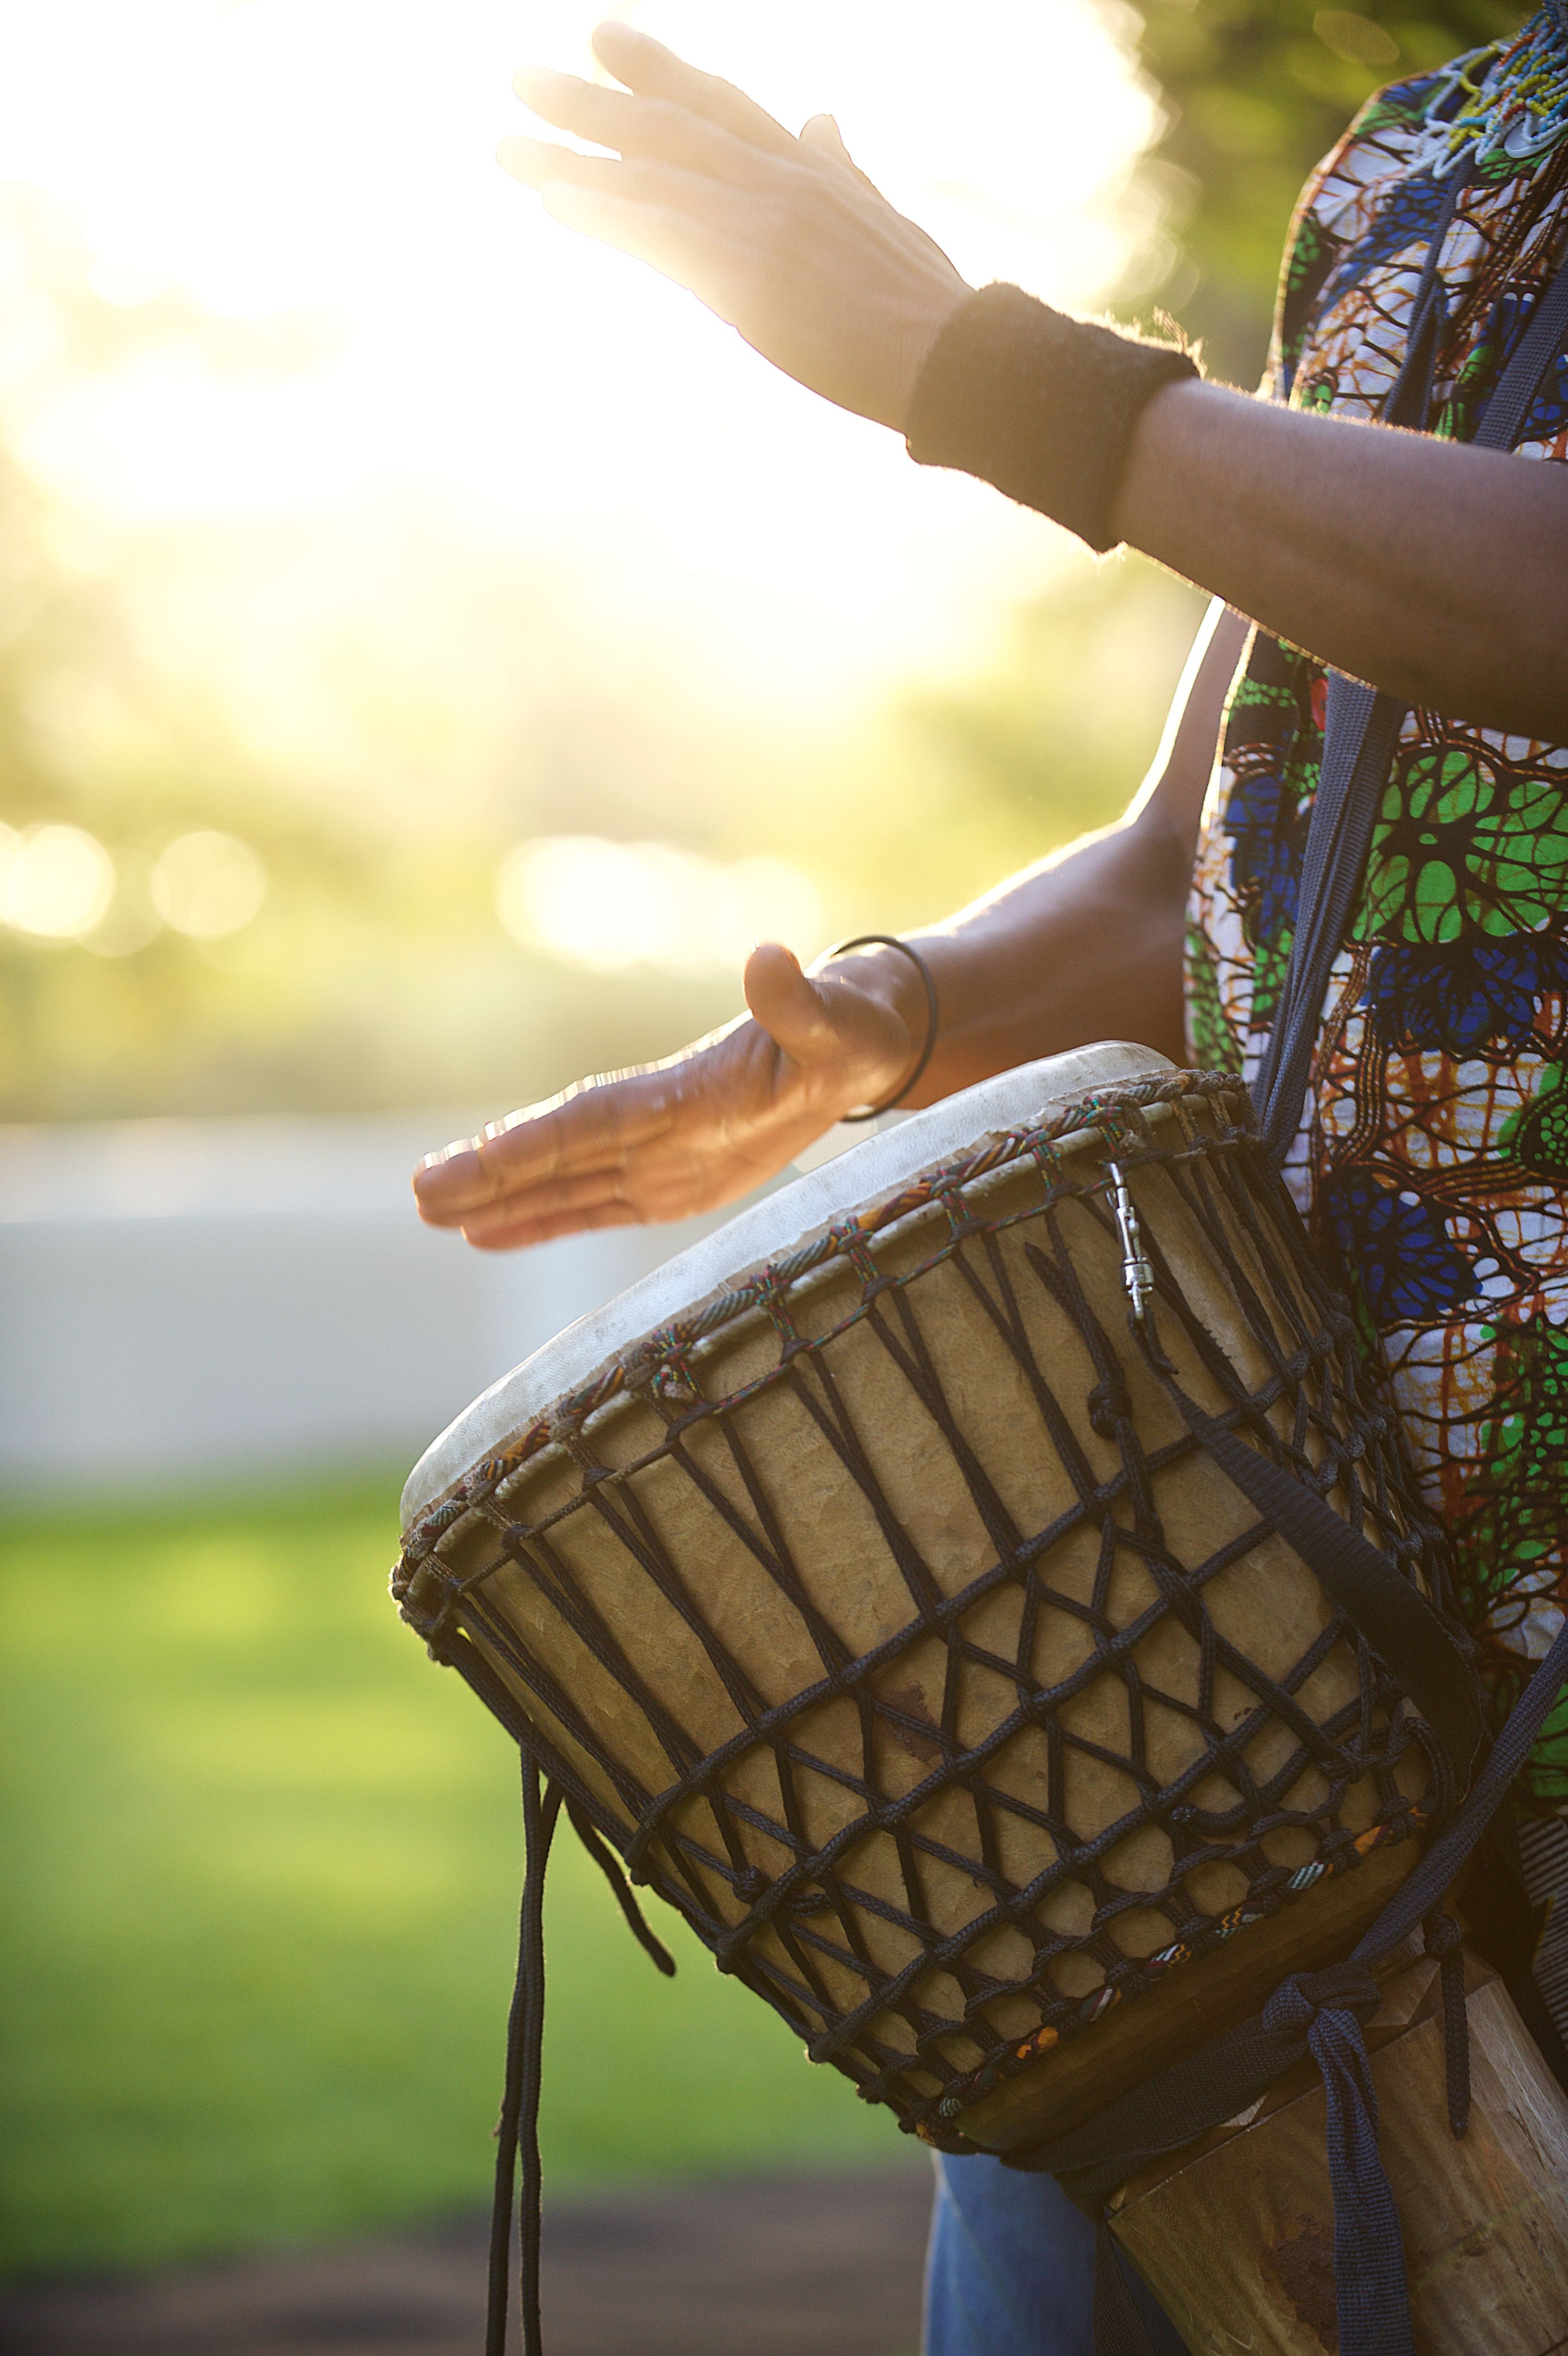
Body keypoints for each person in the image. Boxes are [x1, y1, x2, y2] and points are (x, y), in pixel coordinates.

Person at [412, 16, 1568, 2352]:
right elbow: (1208, 832)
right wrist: (881, 1020)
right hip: (1279, 1627)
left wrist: (984, 370)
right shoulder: (1431, 155)